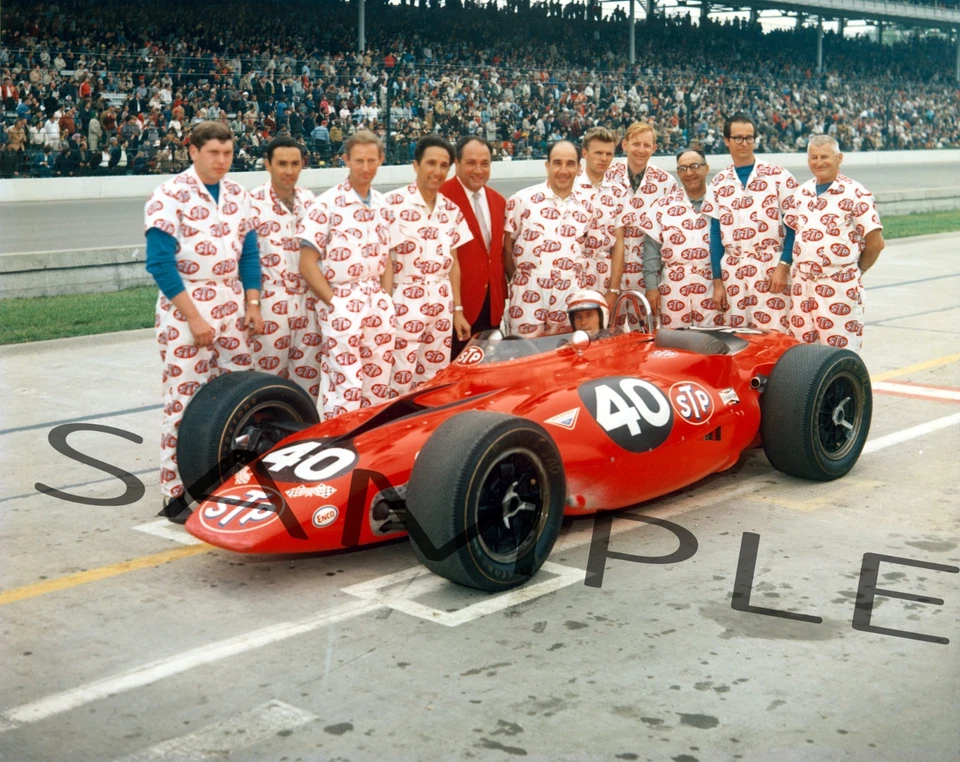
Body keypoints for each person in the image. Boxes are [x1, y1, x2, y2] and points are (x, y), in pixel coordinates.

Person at [144, 121, 264, 522]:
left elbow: (249, 254)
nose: (221, 161)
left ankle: (227, 481)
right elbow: (159, 263)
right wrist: (194, 318)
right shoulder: (169, 194)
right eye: (213, 153)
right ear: (193, 150)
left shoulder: (238, 194)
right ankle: (176, 492)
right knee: (184, 400)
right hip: (186, 303)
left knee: (236, 397)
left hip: (231, 302)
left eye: (227, 153)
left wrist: (252, 302)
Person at [299, 129, 396, 419]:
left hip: (375, 300)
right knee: (346, 385)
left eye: (371, 160)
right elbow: (307, 263)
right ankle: (339, 452)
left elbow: (388, 257)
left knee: (378, 386)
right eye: (358, 160)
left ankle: (370, 451)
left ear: (380, 160)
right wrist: (334, 303)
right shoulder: (326, 204)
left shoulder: (383, 204)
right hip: (341, 298)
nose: (365, 168)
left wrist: (385, 297)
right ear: (346, 160)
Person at [778, 135, 884, 352]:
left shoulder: (856, 193)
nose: (819, 162)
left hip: (838, 287)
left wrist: (856, 271)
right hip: (802, 286)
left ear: (839, 158)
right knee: (802, 353)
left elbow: (876, 243)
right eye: (813, 157)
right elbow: (792, 233)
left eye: (825, 156)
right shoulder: (801, 193)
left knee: (838, 355)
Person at [386, 134, 473, 395]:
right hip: (403, 301)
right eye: (431, 163)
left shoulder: (452, 210)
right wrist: (386, 307)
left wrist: (457, 309)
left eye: (443, 166)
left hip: (441, 303)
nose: (437, 171)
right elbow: (383, 262)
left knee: (433, 383)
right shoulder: (390, 204)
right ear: (416, 165)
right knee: (398, 380)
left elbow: (454, 263)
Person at [705, 113, 798, 331]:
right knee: (738, 340)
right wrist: (718, 281)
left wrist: (784, 266)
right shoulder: (719, 182)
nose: (744, 143)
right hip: (733, 273)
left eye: (749, 138)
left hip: (770, 269)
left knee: (773, 338)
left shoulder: (778, 176)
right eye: (737, 137)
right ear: (727, 140)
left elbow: (794, 226)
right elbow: (715, 236)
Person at [504, 140, 600, 337]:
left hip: (570, 295)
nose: (563, 170)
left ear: (579, 168)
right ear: (547, 165)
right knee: (524, 355)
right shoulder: (522, 200)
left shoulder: (589, 206)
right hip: (527, 295)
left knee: (565, 355)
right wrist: (525, 282)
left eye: (570, 164)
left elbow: (590, 253)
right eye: (557, 163)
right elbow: (506, 249)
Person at [248, 137, 319, 398]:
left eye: (294, 164)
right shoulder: (251, 204)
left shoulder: (312, 203)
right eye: (281, 164)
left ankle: (302, 436)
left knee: (306, 385)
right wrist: (251, 305)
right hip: (269, 303)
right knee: (266, 384)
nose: (289, 171)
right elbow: (243, 261)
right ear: (267, 164)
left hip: (307, 304)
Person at [440, 136, 507, 359]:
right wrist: (455, 310)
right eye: (471, 163)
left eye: (485, 163)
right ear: (456, 164)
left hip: (491, 308)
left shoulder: (498, 201)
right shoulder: (441, 197)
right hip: (458, 309)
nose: (478, 170)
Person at [641, 148, 720, 329]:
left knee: (714, 344)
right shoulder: (663, 206)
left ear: (706, 169)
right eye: (683, 168)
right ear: (677, 173)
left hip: (712, 286)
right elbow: (651, 252)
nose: (689, 173)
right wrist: (652, 288)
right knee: (675, 346)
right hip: (673, 288)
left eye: (694, 166)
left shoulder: (721, 203)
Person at [605, 122, 675, 293]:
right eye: (636, 144)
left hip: (649, 276)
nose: (641, 150)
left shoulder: (666, 182)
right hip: (608, 274)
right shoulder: (607, 177)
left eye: (646, 145)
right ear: (624, 145)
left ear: (654, 148)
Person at [573, 126, 627, 310]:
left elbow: (619, 243)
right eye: (598, 153)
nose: (603, 159)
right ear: (585, 153)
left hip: (604, 273)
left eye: (608, 153)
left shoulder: (618, 192)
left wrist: (613, 288)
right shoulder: (569, 186)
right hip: (572, 273)